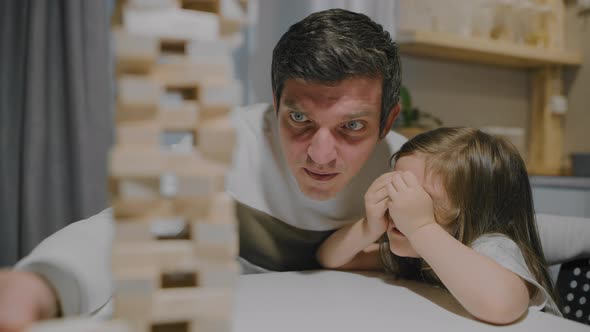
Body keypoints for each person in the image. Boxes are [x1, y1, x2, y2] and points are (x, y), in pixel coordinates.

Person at [0, 8, 588, 331]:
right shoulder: (223, 146)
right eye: (299, 118)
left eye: (352, 127)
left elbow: (518, 226)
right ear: (273, 103)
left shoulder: (409, 169)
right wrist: (43, 282)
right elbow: (122, 231)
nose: (322, 154)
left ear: (388, 122)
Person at [317, 127, 561, 324]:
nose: (400, 206)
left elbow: (502, 305)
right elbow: (332, 258)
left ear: (471, 210)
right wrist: (370, 227)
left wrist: (421, 227)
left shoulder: (491, 247)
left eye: (419, 199)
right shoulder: (414, 251)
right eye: (398, 189)